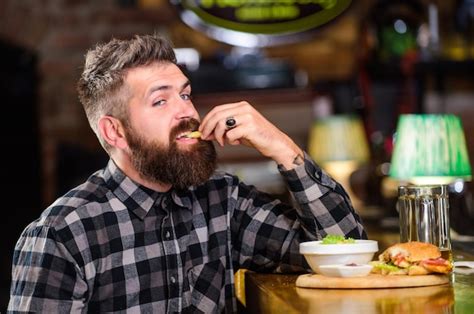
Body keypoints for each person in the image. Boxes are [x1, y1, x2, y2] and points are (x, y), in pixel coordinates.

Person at [8, 34, 366, 313]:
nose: (186, 111)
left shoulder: (223, 200)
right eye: (160, 101)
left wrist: (282, 148)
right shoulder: (61, 235)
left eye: (185, 94)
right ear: (114, 132)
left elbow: (348, 253)